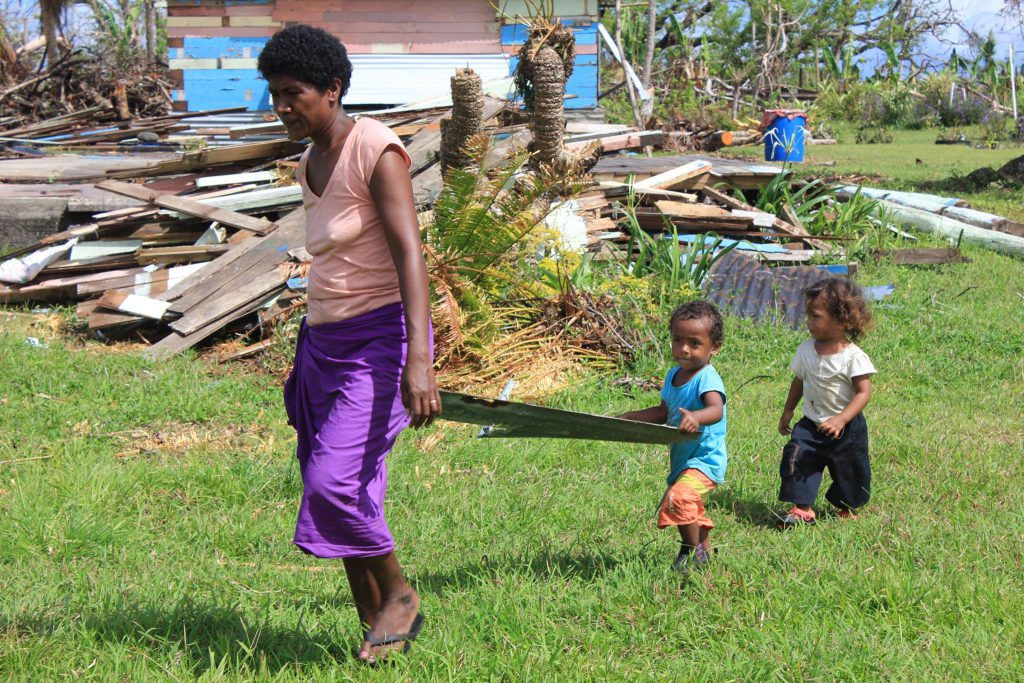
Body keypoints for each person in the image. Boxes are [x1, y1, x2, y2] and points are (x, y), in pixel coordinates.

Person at [257, 25, 441, 663]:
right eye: (274, 94)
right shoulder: (310, 158)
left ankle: (399, 595)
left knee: (332, 482)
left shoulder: (375, 149)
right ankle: (373, 619)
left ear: (332, 89)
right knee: (340, 483)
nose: (281, 106)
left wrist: (419, 358)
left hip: (380, 341)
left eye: (293, 93)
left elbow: (409, 254)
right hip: (323, 343)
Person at [619, 301, 727, 574]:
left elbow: (715, 409)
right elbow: (663, 411)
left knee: (680, 498)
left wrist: (696, 417)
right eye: (677, 340)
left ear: (714, 347)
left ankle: (690, 551)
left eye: (694, 342)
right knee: (689, 505)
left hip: (706, 459)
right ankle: (704, 555)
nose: (684, 349)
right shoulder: (673, 375)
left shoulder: (707, 378)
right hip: (683, 458)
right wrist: (632, 417)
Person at [777, 278, 875, 527]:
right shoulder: (806, 350)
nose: (808, 322)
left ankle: (846, 506)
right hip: (811, 424)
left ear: (842, 320)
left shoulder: (853, 357)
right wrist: (788, 411)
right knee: (798, 459)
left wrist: (842, 419)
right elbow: (799, 381)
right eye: (808, 315)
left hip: (847, 429)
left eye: (815, 316)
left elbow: (863, 393)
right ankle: (802, 509)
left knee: (851, 471)